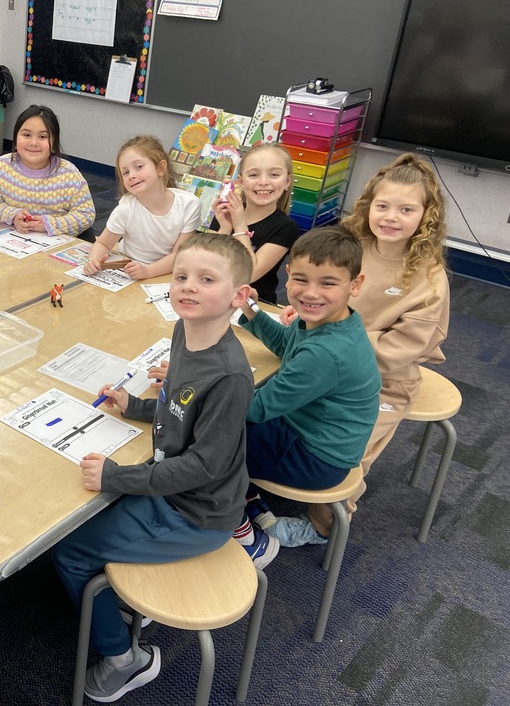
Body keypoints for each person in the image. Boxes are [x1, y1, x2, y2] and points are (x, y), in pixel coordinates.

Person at [51, 232, 256, 704]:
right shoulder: (187, 329)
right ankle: (120, 598)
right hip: (173, 490)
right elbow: (178, 405)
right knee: (84, 518)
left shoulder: (229, 377)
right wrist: (138, 406)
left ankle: (125, 660)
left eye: (206, 280)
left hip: (195, 513)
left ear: (239, 296)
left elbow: (201, 467)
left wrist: (116, 478)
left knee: (69, 552)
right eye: (181, 276)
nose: (188, 286)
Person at [298, 154, 449, 538]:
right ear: (369, 205)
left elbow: (399, 350)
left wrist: (331, 337)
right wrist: (303, 312)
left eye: (406, 209)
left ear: (426, 215)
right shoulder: (351, 247)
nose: (391, 217)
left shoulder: (430, 278)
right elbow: (317, 293)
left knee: (345, 452)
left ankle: (325, 526)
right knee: (268, 411)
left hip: (384, 383)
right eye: (382, 206)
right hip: (325, 362)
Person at [235, 226, 381, 555]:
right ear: (288, 275)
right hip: (308, 432)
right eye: (301, 279)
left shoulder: (325, 353)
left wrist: (195, 380)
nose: (311, 293)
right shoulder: (329, 320)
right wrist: (250, 307)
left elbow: (254, 408)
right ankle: (245, 494)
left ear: (355, 284)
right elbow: (285, 344)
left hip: (316, 458)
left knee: (209, 436)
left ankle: (239, 527)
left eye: (327, 283)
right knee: (223, 425)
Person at [84, 134, 200, 279]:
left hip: (167, 271)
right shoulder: (125, 209)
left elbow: (178, 255)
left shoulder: (189, 205)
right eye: (125, 172)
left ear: (161, 168)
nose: (131, 175)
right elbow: (103, 244)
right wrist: (93, 260)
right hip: (130, 268)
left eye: (139, 167)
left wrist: (147, 271)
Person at [0, 105, 95, 238]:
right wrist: (13, 215)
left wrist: (50, 225)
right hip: (16, 240)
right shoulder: (0, 168)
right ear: (15, 139)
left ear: (54, 144)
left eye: (42, 137)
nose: (33, 143)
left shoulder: (69, 175)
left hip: (57, 241)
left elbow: (86, 214)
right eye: (26, 135)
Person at [210, 143, 301, 304]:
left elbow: (249, 274)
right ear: (240, 181)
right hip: (213, 296)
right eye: (253, 175)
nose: (263, 182)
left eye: (274, 175)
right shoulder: (226, 212)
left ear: (287, 181)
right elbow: (204, 264)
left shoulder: (286, 227)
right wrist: (224, 228)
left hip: (255, 304)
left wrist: (239, 224)